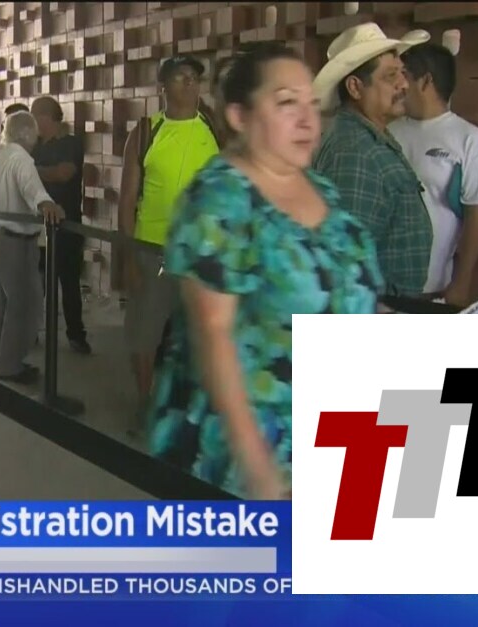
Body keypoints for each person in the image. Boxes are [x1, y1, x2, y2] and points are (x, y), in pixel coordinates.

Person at [148, 42, 384, 500]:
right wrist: (258, 469)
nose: (308, 120)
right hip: (248, 450)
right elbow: (213, 336)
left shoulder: (321, 188)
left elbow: (339, 284)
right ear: (239, 116)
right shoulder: (219, 200)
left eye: (312, 104)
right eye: (286, 103)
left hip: (334, 431)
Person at [117, 55, 222, 430]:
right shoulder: (146, 132)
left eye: (194, 77)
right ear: (162, 87)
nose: (190, 83)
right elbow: (127, 200)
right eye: (180, 77)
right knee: (144, 335)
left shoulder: (214, 128)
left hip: (201, 253)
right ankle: (145, 402)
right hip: (152, 251)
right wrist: (129, 258)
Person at [311, 23, 433, 298]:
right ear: (355, 87)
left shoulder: (369, 137)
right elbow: (344, 265)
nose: (404, 84)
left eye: (402, 73)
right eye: (390, 76)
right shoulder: (354, 153)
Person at [391, 42, 478, 306]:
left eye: (404, 75)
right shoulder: (389, 131)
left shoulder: (470, 140)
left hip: (434, 287)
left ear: (426, 81)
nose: (398, 85)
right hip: (385, 282)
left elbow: (477, 217)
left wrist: (462, 282)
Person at [0, 111, 65, 384]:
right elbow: (32, 189)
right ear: (28, 134)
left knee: (5, 304)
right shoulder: (21, 159)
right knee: (25, 306)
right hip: (16, 241)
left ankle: (5, 358)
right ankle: (9, 365)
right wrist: (47, 204)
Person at [31, 96, 91, 355]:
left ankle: (76, 335)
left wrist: (32, 171)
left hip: (67, 225)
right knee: (37, 284)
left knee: (69, 283)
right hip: (37, 225)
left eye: (35, 117)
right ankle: (31, 331)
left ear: (46, 117)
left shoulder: (71, 143)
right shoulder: (33, 145)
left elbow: (64, 173)